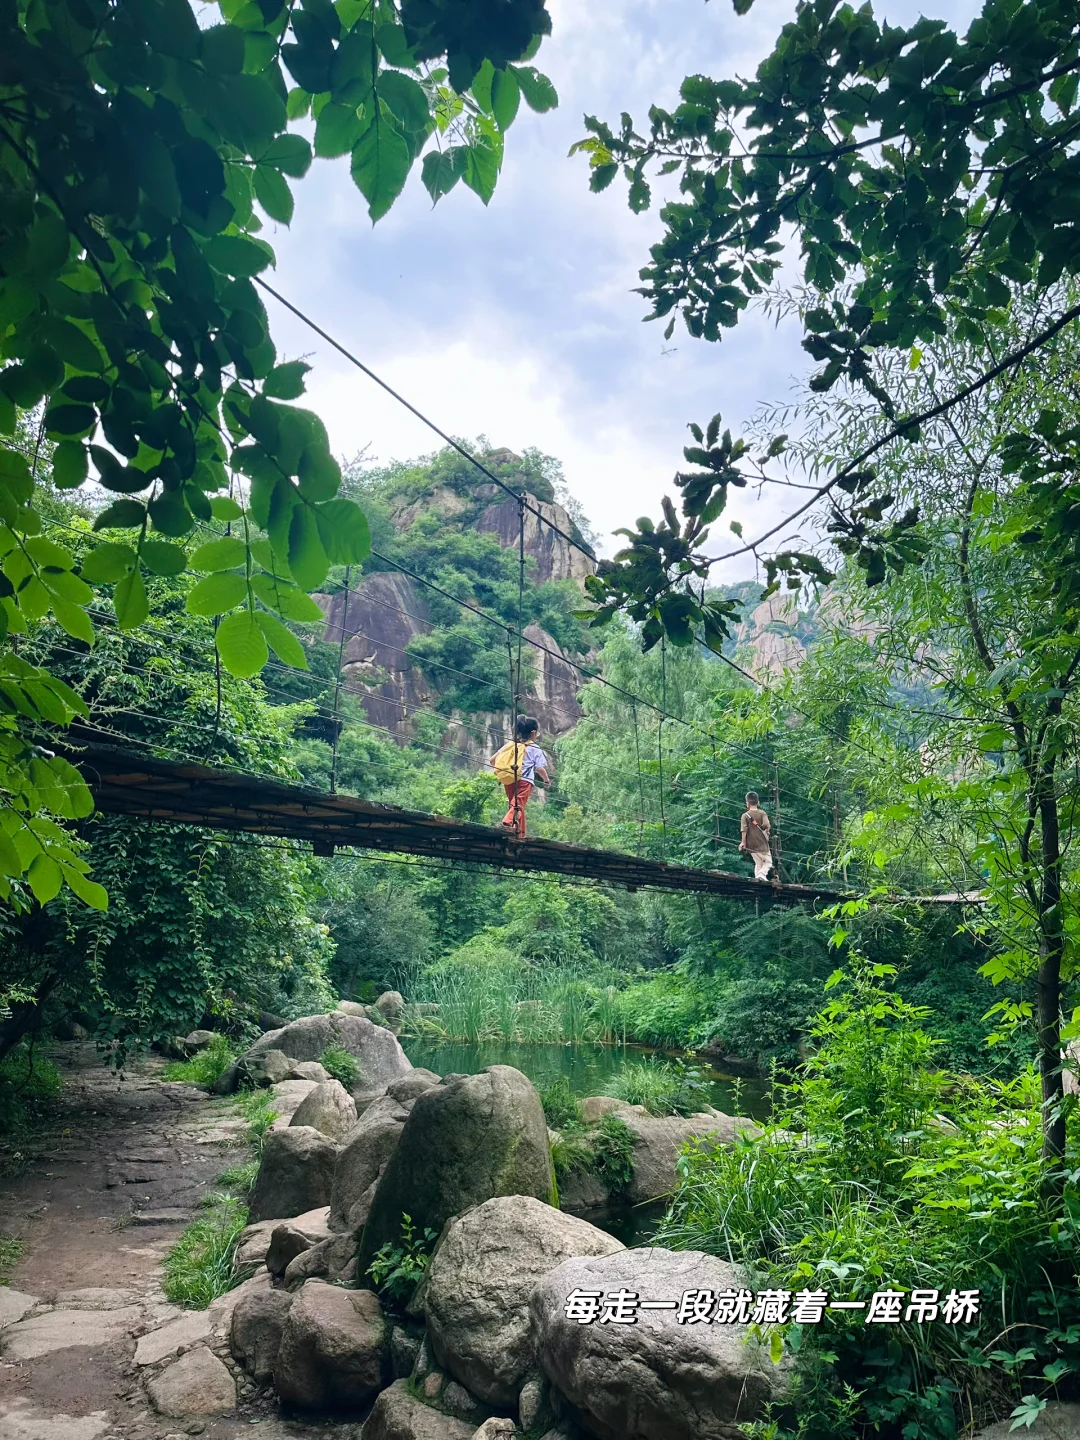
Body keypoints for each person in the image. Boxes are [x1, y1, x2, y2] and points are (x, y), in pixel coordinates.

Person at [489, 716, 550, 839]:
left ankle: (520, 834)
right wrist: (546, 780)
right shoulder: (534, 747)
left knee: (516, 806)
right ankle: (507, 823)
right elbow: (539, 768)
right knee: (518, 805)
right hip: (525, 780)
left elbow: (492, 760)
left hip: (509, 780)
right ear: (533, 733)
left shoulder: (510, 745)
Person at [739, 790, 774, 882]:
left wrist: (743, 842)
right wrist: (766, 830)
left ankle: (757, 879)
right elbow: (767, 825)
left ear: (747, 804)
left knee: (758, 863)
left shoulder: (744, 815)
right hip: (762, 842)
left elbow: (744, 830)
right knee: (768, 862)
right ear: (758, 802)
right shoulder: (762, 813)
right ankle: (762, 875)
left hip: (751, 844)